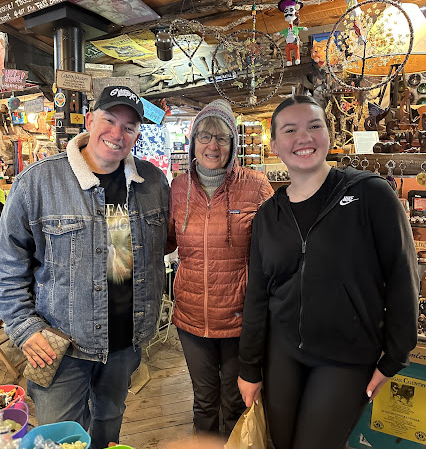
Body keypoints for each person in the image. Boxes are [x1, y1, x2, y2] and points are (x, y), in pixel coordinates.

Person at [238, 95, 419, 449]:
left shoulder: (370, 194)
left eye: (314, 126)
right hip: (282, 354)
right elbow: (257, 296)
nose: (303, 137)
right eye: (290, 130)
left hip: (347, 357)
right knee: (282, 443)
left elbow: (403, 275)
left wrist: (395, 355)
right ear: (274, 145)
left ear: (329, 135)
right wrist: (248, 367)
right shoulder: (268, 215)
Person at [0, 86, 169, 449]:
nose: (117, 133)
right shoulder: (39, 182)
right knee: (59, 438)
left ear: (137, 134)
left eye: (129, 127)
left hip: (125, 344)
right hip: (60, 347)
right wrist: (24, 327)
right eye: (109, 120)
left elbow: (156, 251)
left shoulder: (153, 182)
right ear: (90, 120)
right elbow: (8, 262)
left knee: (108, 426)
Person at [167, 99, 273, 438]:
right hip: (191, 318)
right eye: (205, 136)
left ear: (233, 143)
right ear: (193, 142)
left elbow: (276, 249)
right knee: (204, 401)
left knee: (235, 401)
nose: (213, 145)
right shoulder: (178, 188)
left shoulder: (256, 185)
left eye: (222, 137)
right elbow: (166, 241)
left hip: (238, 319)